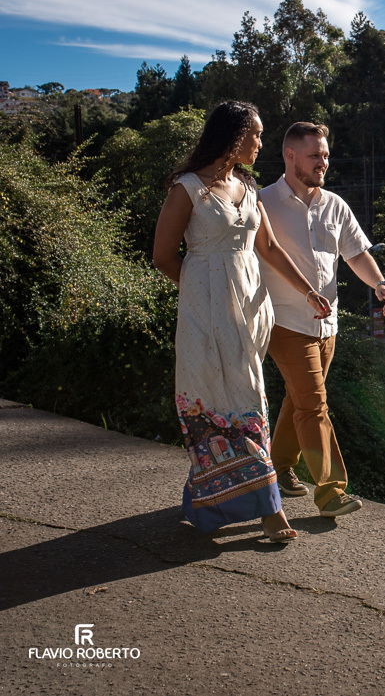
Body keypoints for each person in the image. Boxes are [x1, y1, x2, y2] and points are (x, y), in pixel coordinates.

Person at [152, 101, 332, 543]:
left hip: (251, 313)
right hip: (206, 318)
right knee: (223, 402)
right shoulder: (188, 188)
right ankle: (269, 512)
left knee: (245, 401)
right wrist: (203, 297)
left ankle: (209, 498)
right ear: (233, 136)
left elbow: (268, 248)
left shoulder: (247, 187)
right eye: (255, 134)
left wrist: (308, 290)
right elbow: (162, 256)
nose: (260, 142)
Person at [259, 122, 385, 519]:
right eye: (315, 155)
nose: (324, 162)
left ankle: (280, 468)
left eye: (326, 155)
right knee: (314, 405)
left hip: (327, 327)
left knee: (299, 400)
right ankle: (331, 491)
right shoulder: (264, 202)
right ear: (290, 156)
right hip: (284, 324)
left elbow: (355, 253)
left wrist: (380, 283)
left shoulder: (335, 205)